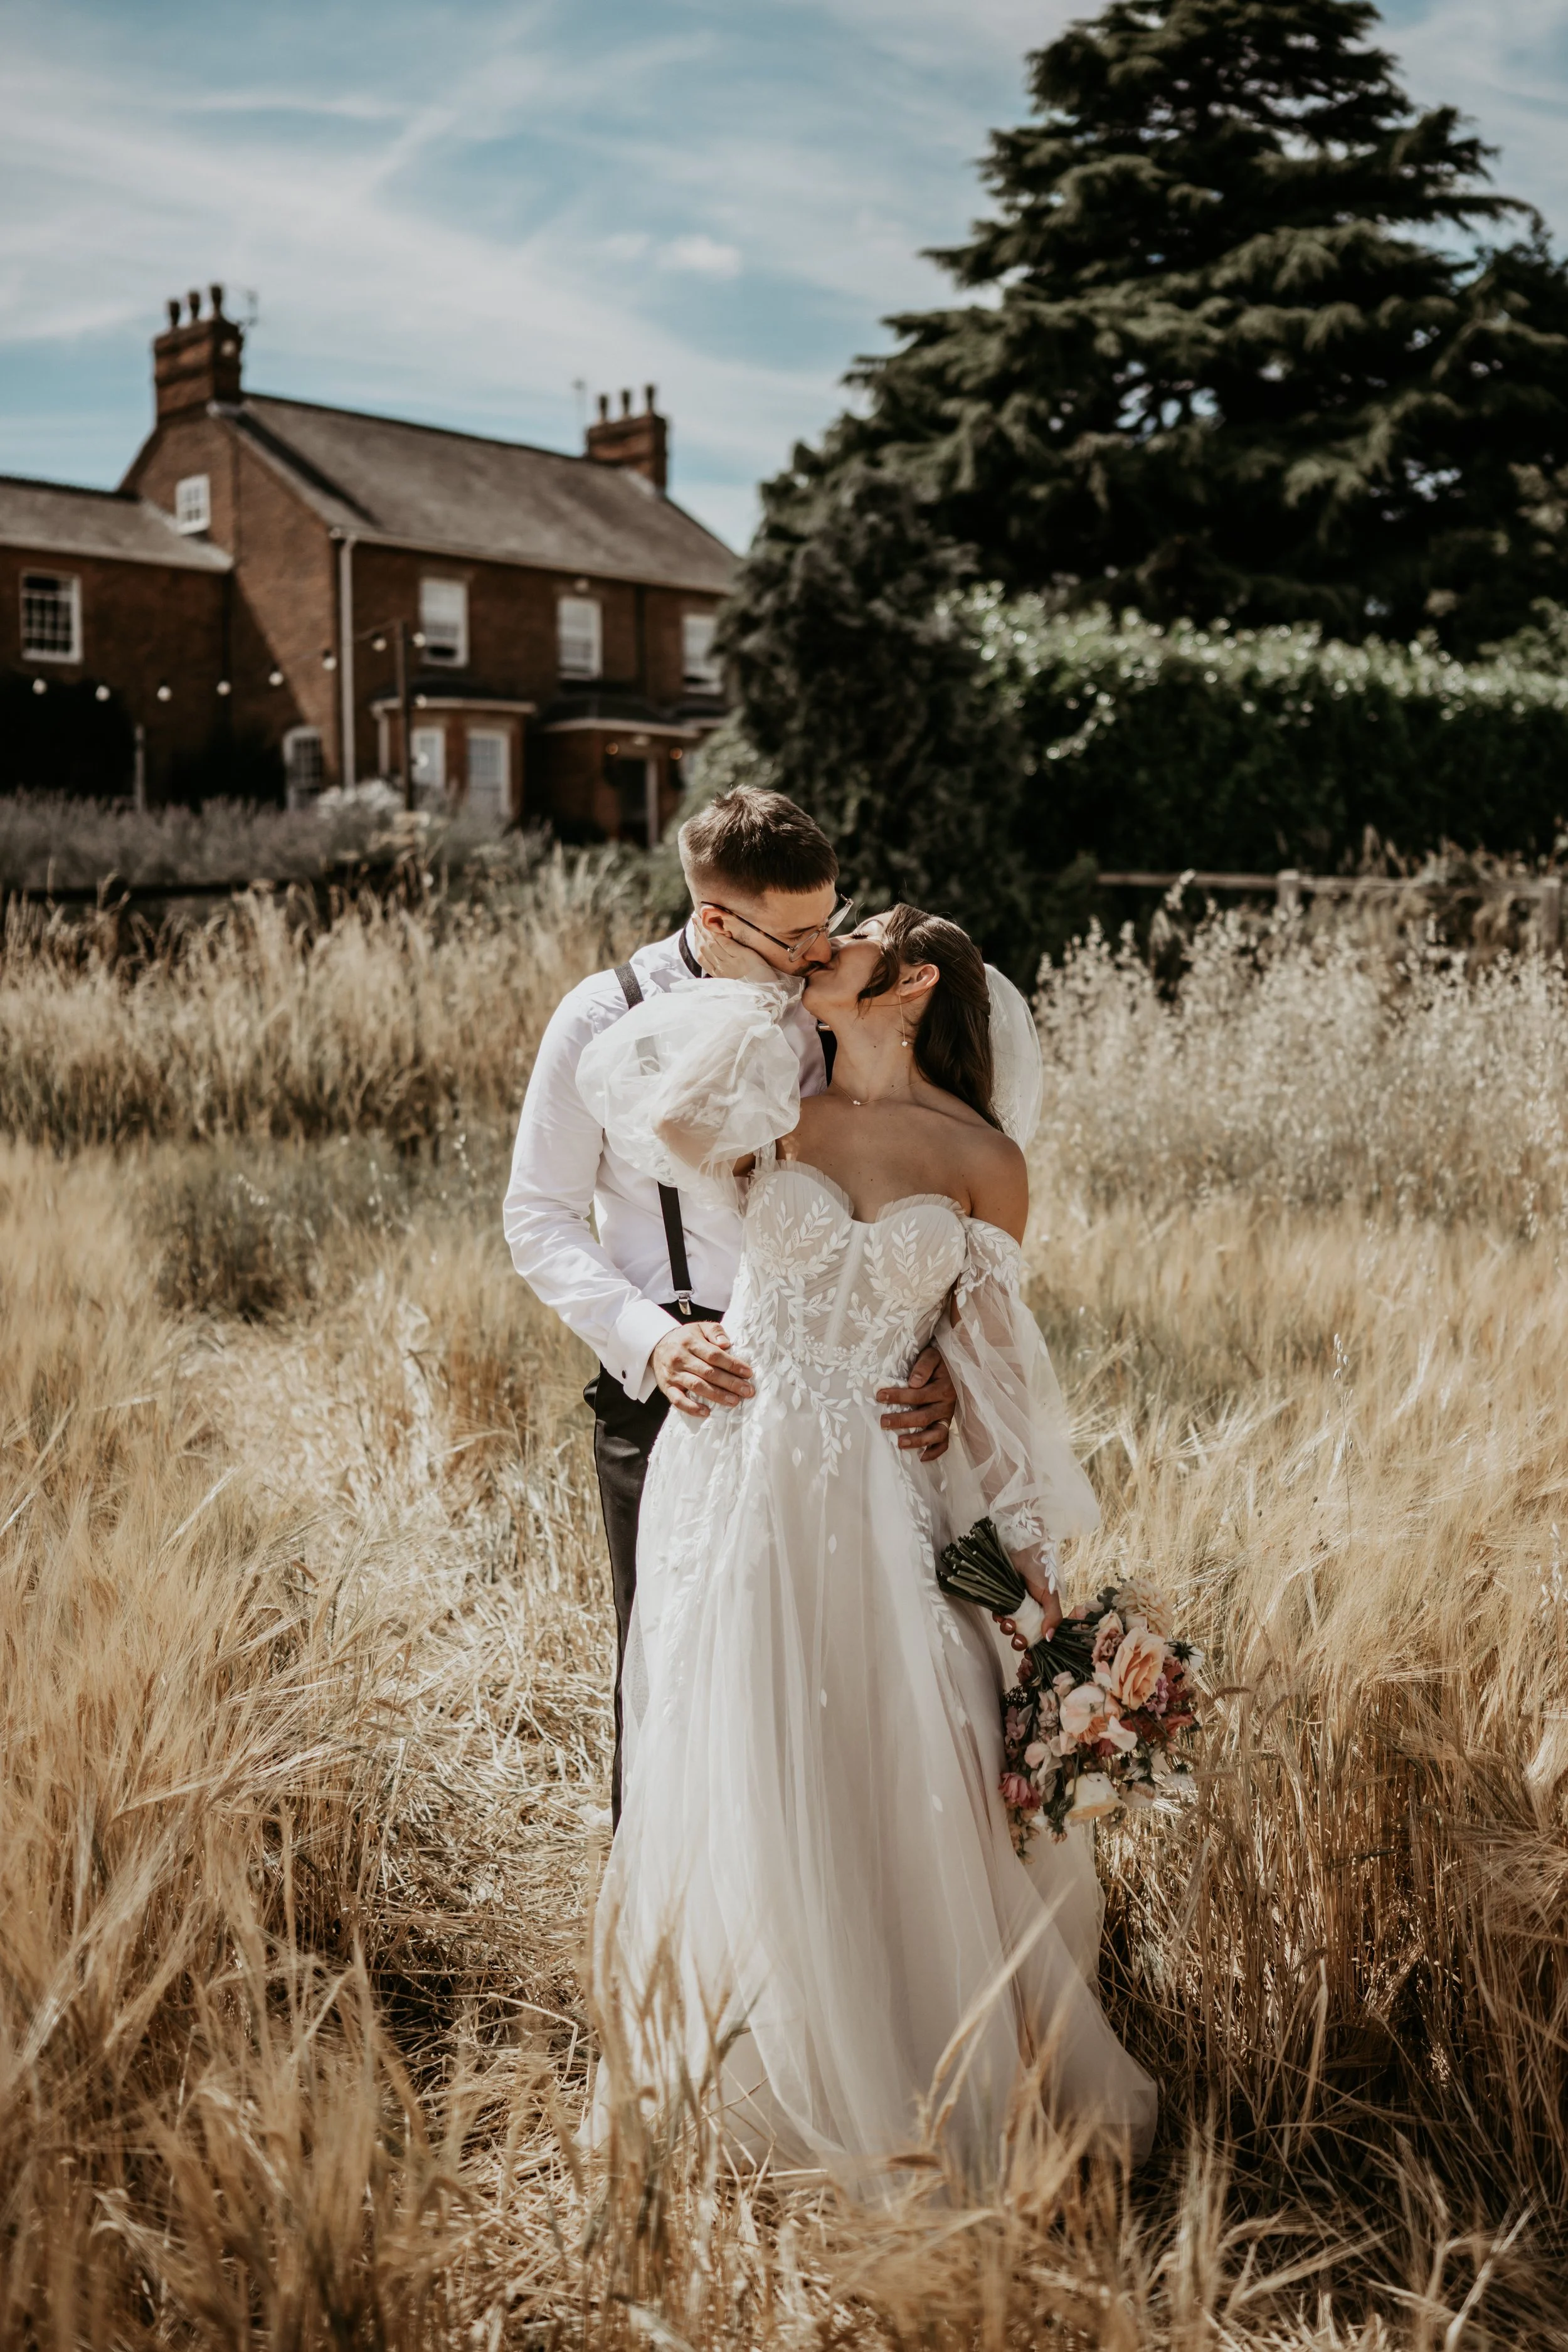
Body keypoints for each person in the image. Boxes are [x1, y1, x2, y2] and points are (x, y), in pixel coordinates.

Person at [576, 901, 1157, 2185]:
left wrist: (1039, 1604)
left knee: (896, 1745)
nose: (818, 939)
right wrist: (761, 994)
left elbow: (998, 1375)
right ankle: (751, 2064)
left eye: (849, 935)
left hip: (883, 1490)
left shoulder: (980, 1160)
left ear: (908, 988)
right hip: (740, 1470)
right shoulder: (772, 1098)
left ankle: (912, 2067)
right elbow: (648, 1115)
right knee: (739, 1731)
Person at [503, 788, 958, 1823]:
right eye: (797, 933)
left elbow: (926, 1189)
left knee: (816, 1675)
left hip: (836, 1394)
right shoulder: (600, 1015)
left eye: (831, 922)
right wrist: (653, 1345)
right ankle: (660, 1945)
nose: (821, 950)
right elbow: (537, 1217)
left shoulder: (840, 1012)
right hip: (671, 1389)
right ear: (715, 920)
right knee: (665, 1661)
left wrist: (946, 1352)